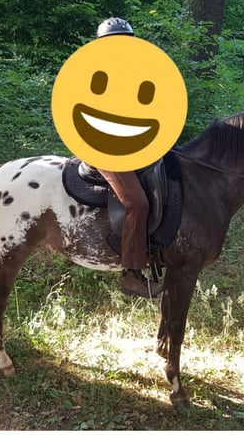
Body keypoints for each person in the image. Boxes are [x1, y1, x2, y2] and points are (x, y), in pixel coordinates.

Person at [94, 17, 163, 298]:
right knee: (138, 203)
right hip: (102, 148)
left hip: (129, 148)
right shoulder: (95, 76)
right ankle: (131, 273)